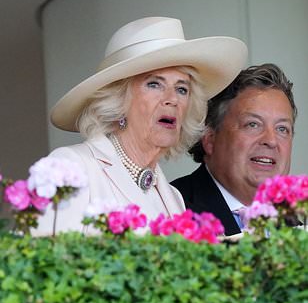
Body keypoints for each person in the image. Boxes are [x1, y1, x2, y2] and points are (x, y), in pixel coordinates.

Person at [34, 16, 247, 235]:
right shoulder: (72, 167)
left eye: (181, 89)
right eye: (154, 84)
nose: (172, 99)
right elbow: (41, 264)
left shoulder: (173, 199)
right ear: (119, 99)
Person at [171, 63, 297, 236]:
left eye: (282, 128)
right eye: (253, 124)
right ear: (209, 138)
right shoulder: (171, 209)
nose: (271, 140)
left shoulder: (296, 222)